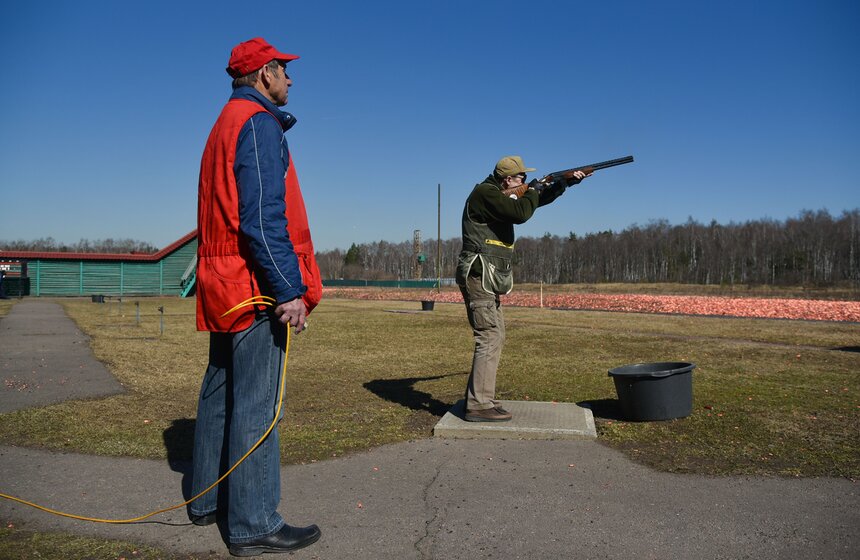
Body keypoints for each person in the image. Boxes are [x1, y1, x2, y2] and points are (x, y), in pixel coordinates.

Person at [191, 37, 323, 556]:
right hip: (252, 287)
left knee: (220, 392)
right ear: (264, 74)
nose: (290, 78)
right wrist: (288, 290)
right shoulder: (258, 123)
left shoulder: (224, 123)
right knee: (257, 404)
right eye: (284, 69)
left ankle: (207, 501)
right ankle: (254, 523)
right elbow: (263, 218)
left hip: (223, 283)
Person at [455, 156, 589, 422]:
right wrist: (535, 189)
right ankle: (478, 405)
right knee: (489, 336)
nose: (525, 181)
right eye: (522, 178)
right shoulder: (486, 193)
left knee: (495, 335)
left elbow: (532, 202)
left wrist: (564, 184)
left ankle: (482, 399)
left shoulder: (497, 195)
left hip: (487, 276)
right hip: (479, 273)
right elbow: (521, 213)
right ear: (508, 180)